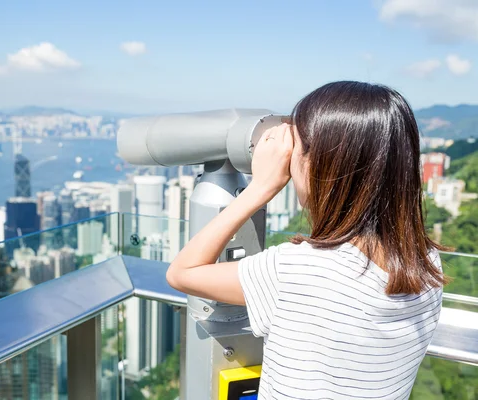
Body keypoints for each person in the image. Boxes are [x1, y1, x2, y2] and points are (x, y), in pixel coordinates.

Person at [166, 81, 446, 399]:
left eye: (294, 149)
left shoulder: (302, 270)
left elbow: (182, 273)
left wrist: (260, 188)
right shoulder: (427, 264)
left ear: (318, 164)